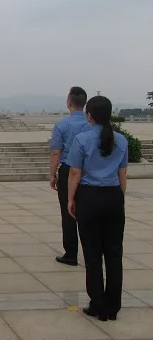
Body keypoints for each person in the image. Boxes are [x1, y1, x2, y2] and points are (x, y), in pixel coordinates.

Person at [67, 96, 128, 322]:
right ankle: (113, 306)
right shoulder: (121, 140)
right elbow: (122, 173)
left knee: (92, 253)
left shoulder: (82, 139)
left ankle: (97, 304)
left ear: (89, 115)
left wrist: (70, 200)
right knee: (114, 253)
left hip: (90, 197)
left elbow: (75, 173)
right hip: (113, 196)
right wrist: (119, 197)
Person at [49, 86, 91, 266]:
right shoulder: (92, 124)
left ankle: (71, 253)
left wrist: (52, 174)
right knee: (88, 213)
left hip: (68, 170)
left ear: (69, 102)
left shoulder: (62, 125)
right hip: (89, 171)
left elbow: (56, 152)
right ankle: (91, 252)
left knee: (68, 212)